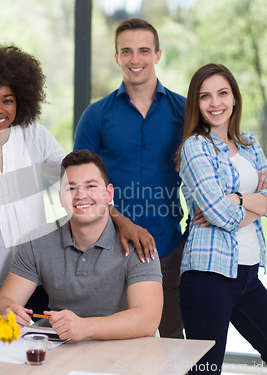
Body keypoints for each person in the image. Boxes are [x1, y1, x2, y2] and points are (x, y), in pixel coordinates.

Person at [0, 41, 153, 331]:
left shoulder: (35, 136)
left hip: (38, 280)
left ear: (21, 101)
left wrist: (119, 219)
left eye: (8, 100)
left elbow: (77, 184)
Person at [177, 63, 267, 374]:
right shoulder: (196, 147)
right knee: (206, 372)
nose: (215, 103)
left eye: (222, 93)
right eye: (205, 97)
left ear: (234, 98)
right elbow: (221, 214)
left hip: (248, 278)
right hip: (207, 278)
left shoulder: (248, 143)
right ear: (197, 104)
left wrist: (238, 200)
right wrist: (253, 204)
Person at [73, 18, 186, 338]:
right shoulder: (96, 116)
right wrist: (120, 220)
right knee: (111, 348)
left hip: (167, 248)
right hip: (108, 251)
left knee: (171, 346)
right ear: (116, 57)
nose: (135, 59)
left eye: (143, 50)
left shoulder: (184, 111)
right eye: (127, 51)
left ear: (158, 54)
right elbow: (79, 187)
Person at [0, 150, 163, 341]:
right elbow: (3, 302)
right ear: (60, 198)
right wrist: (6, 312)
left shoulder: (139, 243)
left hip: (129, 348)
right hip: (64, 347)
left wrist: (86, 327)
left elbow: (148, 319)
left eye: (91, 186)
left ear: (109, 193)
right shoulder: (37, 241)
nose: (81, 195)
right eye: (71, 188)